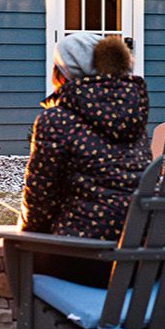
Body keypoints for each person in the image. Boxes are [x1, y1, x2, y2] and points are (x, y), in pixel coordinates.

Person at [20, 32, 151, 287]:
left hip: (85, 260)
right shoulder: (133, 117)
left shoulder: (56, 120)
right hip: (142, 261)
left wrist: (26, 238)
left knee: (17, 258)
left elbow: (40, 199)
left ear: (62, 74)